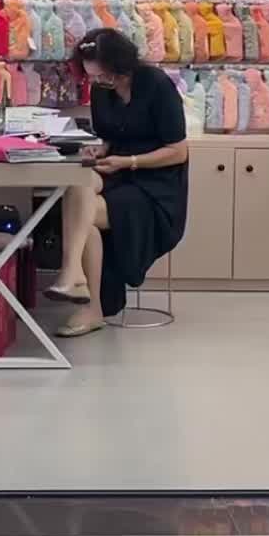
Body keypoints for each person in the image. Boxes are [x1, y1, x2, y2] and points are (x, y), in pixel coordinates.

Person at [47, 28, 189, 337]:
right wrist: (101, 150)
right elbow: (112, 135)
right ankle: (76, 280)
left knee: (84, 216)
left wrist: (129, 161)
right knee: (78, 183)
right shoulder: (102, 91)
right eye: (94, 77)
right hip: (118, 171)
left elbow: (178, 152)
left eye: (105, 75)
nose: (101, 82)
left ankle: (84, 294)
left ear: (121, 63)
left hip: (156, 187)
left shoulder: (156, 85)